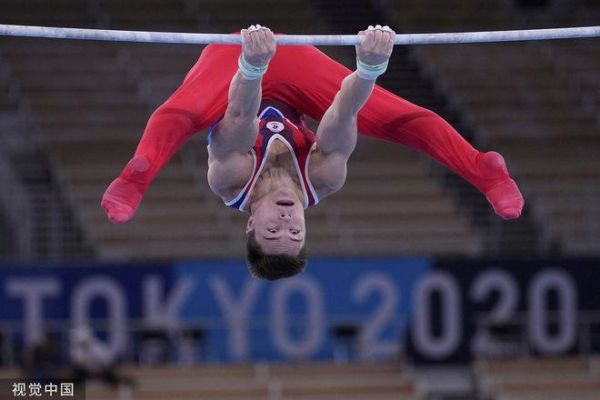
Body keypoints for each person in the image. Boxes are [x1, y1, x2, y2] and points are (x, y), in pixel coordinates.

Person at [101, 24, 524, 280]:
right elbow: (343, 112)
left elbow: (239, 116)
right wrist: (370, 66)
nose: (286, 223)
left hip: (235, 68)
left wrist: (251, 65)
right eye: (296, 233)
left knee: (179, 115)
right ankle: (485, 172)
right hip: (296, 71)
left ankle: (136, 176)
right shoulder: (324, 178)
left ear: (250, 225)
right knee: (400, 119)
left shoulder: (228, 180)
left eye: (273, 232)